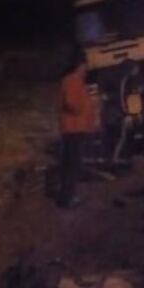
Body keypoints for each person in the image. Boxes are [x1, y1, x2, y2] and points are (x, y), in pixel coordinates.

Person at [57, 48, 98, 208]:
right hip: (74, 128)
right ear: (80, 65)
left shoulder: (75, 80)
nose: (87, 69)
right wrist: (84, 107)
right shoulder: (73, 80)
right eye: (85, 65)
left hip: (76, 127)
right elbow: (71, 103)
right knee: (72, 165)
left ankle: (68, 195)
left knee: (71, 163)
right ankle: (67, 198)